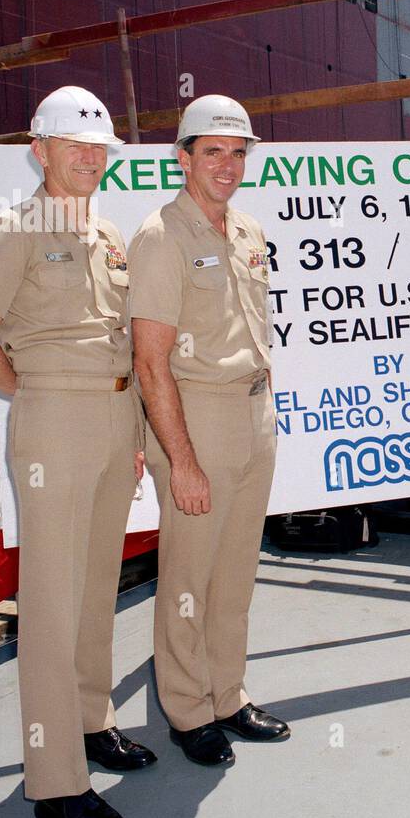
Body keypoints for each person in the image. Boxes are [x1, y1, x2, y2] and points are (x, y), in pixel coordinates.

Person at [0, 85, 154, 818]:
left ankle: (92, 722)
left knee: (98, 586)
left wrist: (131, 432)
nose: (91, 160)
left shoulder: (105, 232)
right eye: (76, 147)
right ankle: (55, 778)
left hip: (111, 418)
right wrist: (31, 391)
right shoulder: (15, 231)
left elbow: (121, 343)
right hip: (55, 423)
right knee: (53, 605)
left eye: (100, 150)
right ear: (40, 151)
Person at [129, 95, 287, 767]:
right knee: (190, 577)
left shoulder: (246, 231)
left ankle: (229, 694)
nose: (226, 164)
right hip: (197, 418)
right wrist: (182, 460)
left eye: (237, 151)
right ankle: (188, 710)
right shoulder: (161, 238)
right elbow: (149, 361)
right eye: (212, 151)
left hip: (256, 414)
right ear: (184, 158)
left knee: (236, 574)